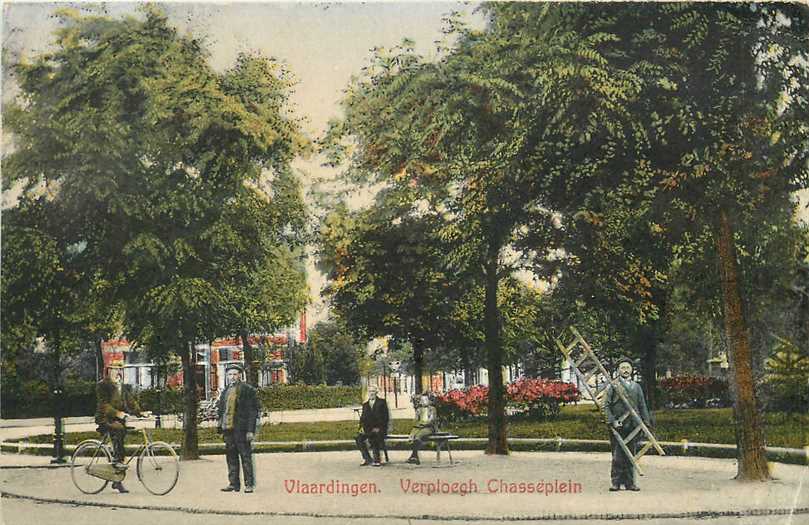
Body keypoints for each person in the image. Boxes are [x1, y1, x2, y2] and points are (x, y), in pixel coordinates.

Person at [604, 357, 652, 492]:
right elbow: (605, 406)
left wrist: (645, 423)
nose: (625, 370)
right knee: (618, 455)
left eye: (628, 368)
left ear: (632, 370)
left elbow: (642, 406)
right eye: (622, 368)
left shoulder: (637, 387)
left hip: (633, 425)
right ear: (618, 370)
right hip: (618, 426)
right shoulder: (613, 386)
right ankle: (616, 482)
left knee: (632, 454)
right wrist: (613, 421)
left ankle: (630, 483)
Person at [95, 364, 143, 494]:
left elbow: (130, 401)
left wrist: (140, 412)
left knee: (122, 438)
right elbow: (103, 405)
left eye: (119, 369)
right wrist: (117, 413)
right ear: (108, 370)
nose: (117, 372)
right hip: (105, 418)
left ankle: (117, 479)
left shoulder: (120, 384)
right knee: (119, 430)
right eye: (114, 369)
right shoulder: (102, 385)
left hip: (118, 419)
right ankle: (117, 461)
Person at [216, 363, 260, 494]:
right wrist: (220, 427)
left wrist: (250, 430)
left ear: (240, 375)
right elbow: (222, 411)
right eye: (230, 374)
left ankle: (249, 484)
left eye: (235, 374)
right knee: (231, 457)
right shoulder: (225, 391)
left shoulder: (247, 390)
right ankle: (233, 483)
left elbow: (253, 411)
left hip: (241, 429)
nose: (232, 377)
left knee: (245, 456)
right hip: (228, 429)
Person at [355, 385, 389, 467]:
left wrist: (379, 428)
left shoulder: (382, 402)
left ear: (376, 392)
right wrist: (361, 428)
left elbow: (385, 418)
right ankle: (367, 458)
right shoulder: (365, 404)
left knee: (374, 437)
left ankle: (377, 460)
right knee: (358, 438)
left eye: (373, 391)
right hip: (368, 429)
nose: (371, 393)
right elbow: (362, 418)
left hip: (379, 429)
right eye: (370, 391)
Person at [406, 392, 437, 465]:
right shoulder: (419, 409)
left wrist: (422, 424)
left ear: (429, 401)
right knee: (412, 436)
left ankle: (414, 456)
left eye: (425, 400)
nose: (424, 402)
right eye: (422, 400)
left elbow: (431, 420)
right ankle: (414, 457)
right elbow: (415, 420)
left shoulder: (432, 409)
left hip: (428, 428)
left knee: (417, 437)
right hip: (419, 427)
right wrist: (418, 423)